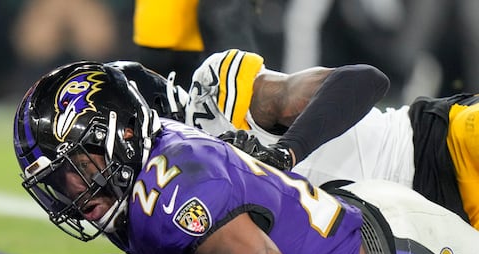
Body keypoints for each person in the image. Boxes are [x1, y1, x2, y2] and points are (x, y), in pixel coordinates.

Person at [13, 61, 479, 254]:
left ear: (128, 129)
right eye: (57, 181)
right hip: (359, 211)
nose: (71, 193)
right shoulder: (141, 180)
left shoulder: (198, 135)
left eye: (76, 169)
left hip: (428, 172)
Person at [185, 49, 479, 229]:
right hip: (435, 226)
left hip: (438, 143)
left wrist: (284, 153)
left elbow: (366, 79)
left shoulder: (244, 106)